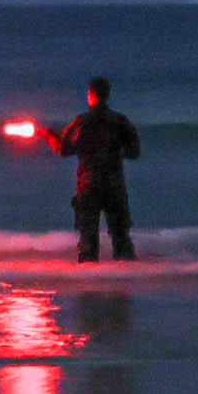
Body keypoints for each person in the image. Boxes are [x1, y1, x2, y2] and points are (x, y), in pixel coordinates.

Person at [54, 77, 141, 262]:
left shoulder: (81, 122)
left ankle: (89, 284)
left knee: (88, 237)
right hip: (114, 185)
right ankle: (125, 283)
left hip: (89, 185)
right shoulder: (120, 121)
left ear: (90, 95)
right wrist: (114, 152)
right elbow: (134, 153)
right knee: (121, 236)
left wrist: (48, 135)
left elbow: (63, 149)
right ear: (107, 95)